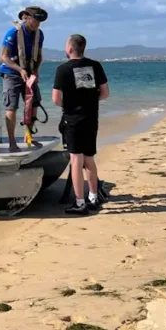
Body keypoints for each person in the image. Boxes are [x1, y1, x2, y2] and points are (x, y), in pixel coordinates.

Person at [52, 33, 109, 215]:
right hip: (91, 117)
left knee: (76, 160)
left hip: (73, 119)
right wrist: (90, 104)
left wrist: (70, 106)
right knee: (89, 158)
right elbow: (105, 93)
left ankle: (80, 202)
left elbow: (55, 99)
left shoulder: (62, 69)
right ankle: (93, 197)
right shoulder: (95, 66)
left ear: (69, 49)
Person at [0, 6, 48, 152]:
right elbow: (3, 56)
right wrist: (19, 70)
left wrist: (35, 72)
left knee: (33, 103)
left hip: (30, 72)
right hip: (11, 72)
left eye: (40, 21)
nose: (37, 24)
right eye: (35, 20)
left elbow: (38, 55)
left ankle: (29, 136)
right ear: (26, 17)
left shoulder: (40, 35)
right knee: (11, 106)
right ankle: (12, 142)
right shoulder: (13, 33)